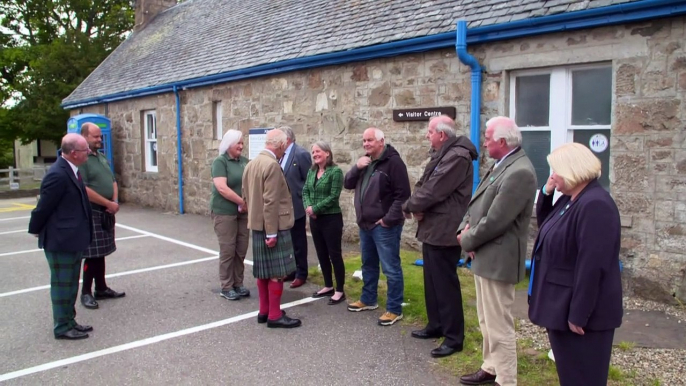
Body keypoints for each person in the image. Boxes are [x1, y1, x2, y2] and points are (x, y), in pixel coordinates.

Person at [528, 143, 622, 386]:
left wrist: (579, 315)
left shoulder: (595, 204)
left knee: (583, 378)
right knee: (571, 376)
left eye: (556, 171)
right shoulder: (571, 199)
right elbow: (548, 227)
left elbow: (593, 266)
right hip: (562, 305)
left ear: (572, 170)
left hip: (583, 315)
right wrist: (547, 193)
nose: (552, 176)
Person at [457, 116, 537, 386]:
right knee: (485, 319)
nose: (485, 142)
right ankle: (490, 367)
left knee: (499, 325)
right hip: (484, 254)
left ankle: (506, 379)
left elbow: (496, 221)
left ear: (502, 142)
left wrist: (467, 241)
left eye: (488, 138)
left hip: (498, 258)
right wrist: (464, 228)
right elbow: (477, 203)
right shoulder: (502, 164)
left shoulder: (520, 172)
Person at [403, 115, 477, 358]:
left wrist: (410, 206)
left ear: (442, 135)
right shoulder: (443, 153)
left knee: (445, 285)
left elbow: (434, 190)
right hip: (434, 227)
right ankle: (436, 325)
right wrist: (417, 203)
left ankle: (454, 338)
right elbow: (424, 184)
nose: (427, 135)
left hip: (445, 229)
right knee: (432, 281)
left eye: (430, 131)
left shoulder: (456, 157)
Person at [28, 133, 94, 340]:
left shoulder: (72, 170)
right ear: (74, 153)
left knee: (71, 284)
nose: (89, 152)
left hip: (72, 238)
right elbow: (43, 208)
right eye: (85, 150)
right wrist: (35, 229)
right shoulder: (58, 174)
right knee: (62, 285)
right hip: (60, 240)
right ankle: (61, 327)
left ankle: (70, 320)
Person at [344, 127, 411, 326]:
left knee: (391, 268)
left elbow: (403, 196)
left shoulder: (394, 163)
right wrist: (356, 167)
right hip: (365, 224)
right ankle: (368, 299)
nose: (366, 144)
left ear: (381, 141)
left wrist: (387, 220)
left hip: (384, 226)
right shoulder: (365, 162)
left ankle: (394, 309)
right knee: (368, 264)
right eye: (364, 141)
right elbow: (347, 183)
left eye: (370, 140)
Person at [242, 129, 301, 328]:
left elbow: (246, 196)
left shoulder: (251, 164)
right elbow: (271, 201)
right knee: (276, 272)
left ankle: (264, 311)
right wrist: (272, 232)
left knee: (263, 272)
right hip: (273, 225)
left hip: (257, 225)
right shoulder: (272, 165)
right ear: (281, 145)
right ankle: (274, 315)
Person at [78, 123, 125, 310]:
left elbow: (112, 180)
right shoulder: (83, 160)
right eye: (95, 137)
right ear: (85, 137)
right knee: (92, 254)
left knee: (101, 252)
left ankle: (102, 288)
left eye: (99, 136)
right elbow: (84, 188)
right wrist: (107, 204)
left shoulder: (101, 157)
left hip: (106, 209)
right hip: (93, 210)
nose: (99, 139)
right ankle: (86, 293)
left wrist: (113, 201)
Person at [303, 141, 346, 305]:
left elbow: (334, 196)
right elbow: (305, 190)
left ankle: (340, 290)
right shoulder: (312, 171)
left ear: (327, 153)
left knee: (334, 254)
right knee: (321, 253)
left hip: (331, 219)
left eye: (318, 151)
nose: (315, 155)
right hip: (315, 219)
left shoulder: (335, 172)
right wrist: (308, 207)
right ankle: (328, 285)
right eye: (313, 152)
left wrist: (315, 209)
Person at [210, 129, 250, 301]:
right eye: (238, 143)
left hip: (243, 213)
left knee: (241, 249)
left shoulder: (245, 162)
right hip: (224, 212)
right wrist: (241, 202)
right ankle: (226, 286)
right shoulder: (220, 162)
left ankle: (238, 283)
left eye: (242, 143)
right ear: (229, 145)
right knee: (228, 250)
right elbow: (222, 188)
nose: (241, 146)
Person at [277, 126, 312, 289]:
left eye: (279, 138)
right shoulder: (280, 156)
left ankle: (301, 273)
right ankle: (290, 270)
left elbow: (308, 181)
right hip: (283, 207)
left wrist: (307, 203)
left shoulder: (301, 154)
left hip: (296, 205)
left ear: (287, 139)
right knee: (287, 240)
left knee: (298, 241)